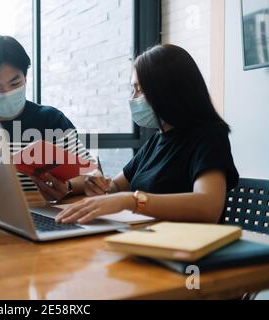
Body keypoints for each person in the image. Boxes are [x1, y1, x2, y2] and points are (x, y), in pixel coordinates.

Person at [56, 44, 239, 225]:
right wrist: (99, 186)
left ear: (168, 91)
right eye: (132, 90)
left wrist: (131, 201)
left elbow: (208, 208)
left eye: (140, 90)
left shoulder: (209, 136)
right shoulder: (157, 140)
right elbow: (117, 186)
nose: (133, 98)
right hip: (148, 236)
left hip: (186, 247)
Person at [0, 34, 95, 202]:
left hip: (39, 213)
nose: (6, 94)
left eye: (15, 84)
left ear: (25, 77)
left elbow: (91, 174)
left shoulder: (51, 120)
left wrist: (68, 187)